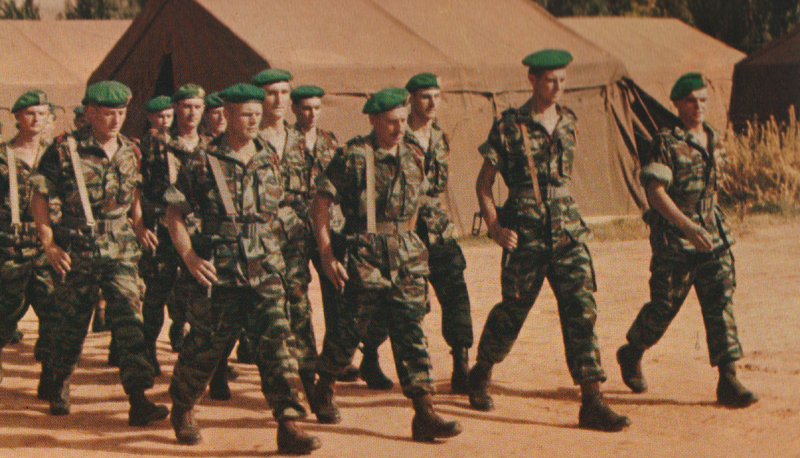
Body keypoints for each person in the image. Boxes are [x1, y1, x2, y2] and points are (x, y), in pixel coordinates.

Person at [468, 49, 631, 432]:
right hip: (525, 235)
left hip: (567, 232)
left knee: (581, 308)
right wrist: (494, 226)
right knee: (513, 310)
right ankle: (482, 370)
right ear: (533, 80)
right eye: (550, 80)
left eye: (562, 80)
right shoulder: (509, 126)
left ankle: (592, 399)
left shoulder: (569, 122)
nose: (558, 87)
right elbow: (484, 184)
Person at [164, 83, 320, 454]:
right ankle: (183, 406)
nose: (253, 120)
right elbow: (174, 215)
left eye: (257, 114)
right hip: (220, 272)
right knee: (205, 345)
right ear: (229, 115)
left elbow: (279, 207)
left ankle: (288, 422)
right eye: (246, 114)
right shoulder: (202, 161)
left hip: (265, 268)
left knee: (277, 342)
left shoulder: (268, 156)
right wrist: (190, 257)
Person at [310, 87, 463, 443]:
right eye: (392, 122)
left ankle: (424, 411)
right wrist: (327, 253)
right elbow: (320, 204)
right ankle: (325, 383)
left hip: (407, 254)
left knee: (411, 330)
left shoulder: (414, 154)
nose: (399, 128)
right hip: (366, 253)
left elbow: (421, 203)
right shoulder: (352, 156)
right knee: (350, 328)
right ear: (374, 120)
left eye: (403, 120)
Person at [616, 72, 758, 408]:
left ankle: (728, 379)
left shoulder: (713, 138)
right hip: (677, 241)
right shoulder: (666, 143)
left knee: (720, 302)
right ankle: (632, 351)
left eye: (703, 100)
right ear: (677, 104)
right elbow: (655, 192)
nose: (698, 106)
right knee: (663, 308)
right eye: (691, 100)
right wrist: (686, 226)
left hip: (712, 237)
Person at [30, 81, 168, 426]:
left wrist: (138, 223)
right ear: (90, 112)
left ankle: (138, 398)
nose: (116, 120)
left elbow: (134, 191)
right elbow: (39, 196)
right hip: (79, 248)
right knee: (72, 323)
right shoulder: (64, 151)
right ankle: (59, 380)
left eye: (121, 113)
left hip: (121, 248)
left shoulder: (131, 150)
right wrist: (48, 243)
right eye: (108, 113)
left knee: (129, 320)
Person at [405, 72, 473, 393]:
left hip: (438, 230)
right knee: (403, 300)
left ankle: (461, 362)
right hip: (407, 231)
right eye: (425, 97)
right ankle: (371, 356)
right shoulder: (397, 134)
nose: (433, 103)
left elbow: (438, 188)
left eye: (437, 96)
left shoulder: (440, 138)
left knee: (456, 291)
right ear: (412, 99)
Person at [139, 85, 211, 377]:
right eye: (186, 106)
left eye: (197, 106)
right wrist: (140, 224)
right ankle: (147, 352)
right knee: (157, 293)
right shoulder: (157, 143)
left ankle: (200, 360)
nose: (192, 113)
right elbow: (137, 185)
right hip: (163, 228)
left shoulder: (210, 145)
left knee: (202, 295)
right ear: (176, 108)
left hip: (200, 232)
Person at [0, 90, 58, 397]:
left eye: (42, 113)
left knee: (53, 313)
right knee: (6, 311)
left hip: (48, 248)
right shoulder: (2, 156)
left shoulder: (58, 156)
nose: (36, 119)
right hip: (9, 247)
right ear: (17, 118)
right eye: (29, 113)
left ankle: (51, 377)